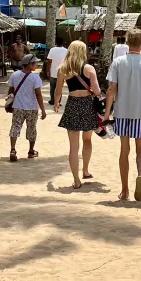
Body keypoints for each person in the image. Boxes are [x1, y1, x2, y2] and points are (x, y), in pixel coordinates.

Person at [105, 28, 141, 201]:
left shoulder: (118, 62)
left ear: (127, 42)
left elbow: (112, 89)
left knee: (124, 150)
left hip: (122, 111)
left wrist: (107, 113)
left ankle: (125, 189)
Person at [54, 40, 102, 188]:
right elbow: (98, 91)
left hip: (72, 104)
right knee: (87, 140)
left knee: (73, 147)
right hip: (87, 104)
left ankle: (76, 180)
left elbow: (58, 91)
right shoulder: (89, 69)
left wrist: (56, 103)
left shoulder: (63, 69)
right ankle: (85, 170)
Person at [7, 53, 46, 161]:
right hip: (32, 108)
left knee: (15, 127)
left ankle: (13, 150)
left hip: (17, 107)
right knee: (32, 129)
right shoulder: (35, 78)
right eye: (35, 63)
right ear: (30, 64)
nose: (37, 65)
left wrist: (9, 103)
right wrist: (43, 109)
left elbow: (10, 92)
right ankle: (31, 151)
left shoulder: (14, 75)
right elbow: (38, 94)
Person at [45, 36, 68, 105]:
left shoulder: (52, 50)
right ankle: (58, 101)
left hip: (53, 72)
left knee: (52, 88)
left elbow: (49, 61)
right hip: (62, 72)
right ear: (63, 43)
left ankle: (52, 100)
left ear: (56, 42)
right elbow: (67, 62)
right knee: (60, 87)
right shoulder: (66, 50)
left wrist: (48, 71)